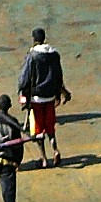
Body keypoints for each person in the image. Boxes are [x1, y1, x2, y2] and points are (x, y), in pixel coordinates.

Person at [18, 27, 65, 168]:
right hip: (50, 97)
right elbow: (59, 75)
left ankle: (44, 158)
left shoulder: (32, 56)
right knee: (50, 128)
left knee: (38, 130)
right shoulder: (55, 55)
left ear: (34, 39)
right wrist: (59, 92)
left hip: (36, 98)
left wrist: (22, 92)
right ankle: (55, 149)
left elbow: (24, 79)